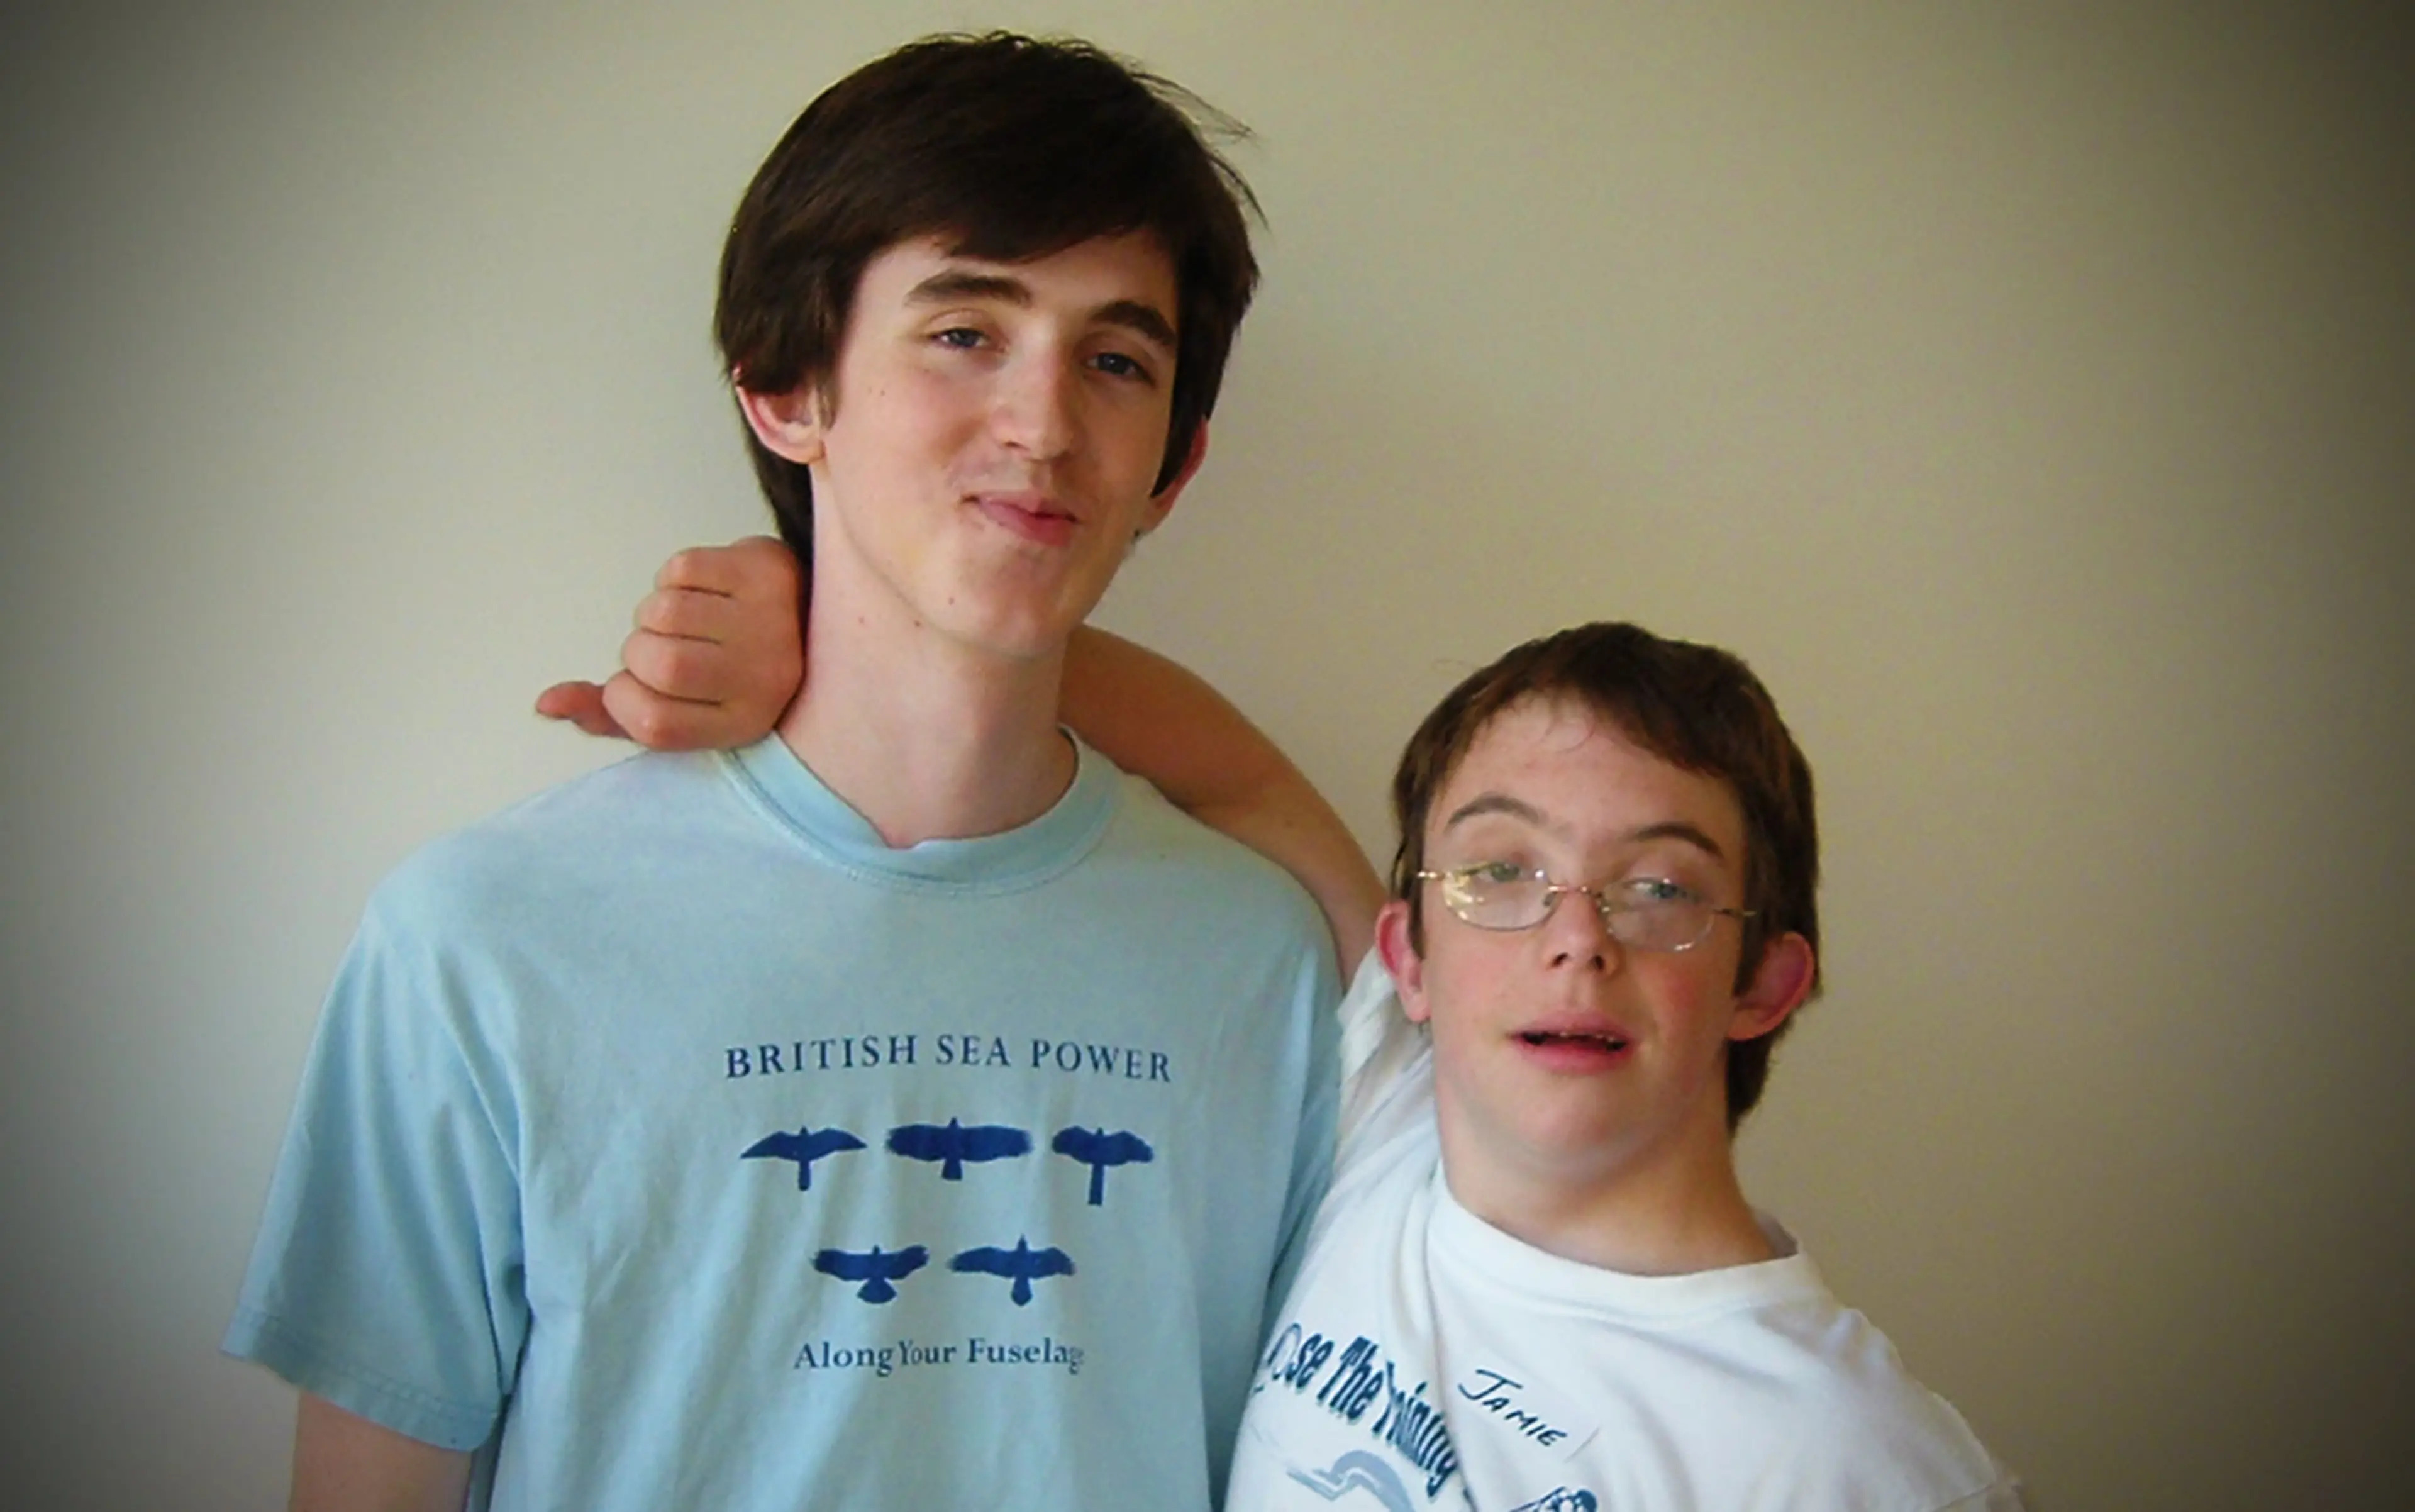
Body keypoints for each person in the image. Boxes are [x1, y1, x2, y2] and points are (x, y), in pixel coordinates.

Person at [228, 33, 1340, 1512]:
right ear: (786, 389)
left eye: (1116, 361)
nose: (1045, 424)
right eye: (965, 331)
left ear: (1172, 468)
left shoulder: (1264, 963)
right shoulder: (478, 941)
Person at [576, 597, 2023, 1508]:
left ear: (1766, 979)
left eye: (1658, 886)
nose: (1575, 937)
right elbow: (1226, 764)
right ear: (1409, 956)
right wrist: (825, 615)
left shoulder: (1846, 1457)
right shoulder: (1389, 1129)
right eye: (1502, 870)